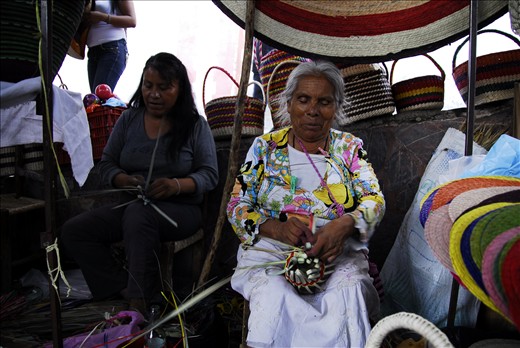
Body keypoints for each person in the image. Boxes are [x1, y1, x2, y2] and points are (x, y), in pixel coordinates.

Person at [227, 60, 386, 347]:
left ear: (336, 107)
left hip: (336, 254)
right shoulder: (265, 148)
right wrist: (275, 229)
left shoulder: (349, 148)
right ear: (288, 104)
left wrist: (343, 226)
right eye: (303, 99)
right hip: (272, 253)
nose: (312, 110)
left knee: (347, 296)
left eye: (324, 102)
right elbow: (237, 205)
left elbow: (375, 201)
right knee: (273, 297)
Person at [61, 52, 219, 314]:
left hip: (180, 211)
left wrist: (176, 185)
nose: (154, 94)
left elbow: (209, 174)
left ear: (179, 89)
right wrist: (123, 179)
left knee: (137, 215)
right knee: (75, 231)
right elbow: (106, 163)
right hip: (135, 205)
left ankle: (140, 301)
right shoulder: (129, 119)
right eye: (148, 86)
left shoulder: (194, 125)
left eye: (164, 87)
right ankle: (122, 287)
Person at [85, 0, 136, 93]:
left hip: (112, 48)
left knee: (99, 95)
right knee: (95, 97)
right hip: (93, 51)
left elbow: (132, 21)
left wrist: (102, 17)